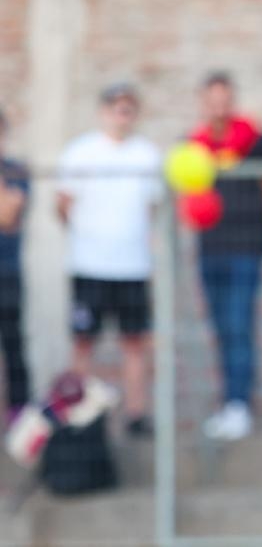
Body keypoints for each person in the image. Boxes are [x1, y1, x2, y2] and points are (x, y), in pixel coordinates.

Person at [57, 83, 162, 438]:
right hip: (90, 266)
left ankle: (136, 415)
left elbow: (152, 207)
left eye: (128, 109)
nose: (121, 115)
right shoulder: (80, 152)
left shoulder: (147, 155)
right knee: (83, 341)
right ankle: (77, 417)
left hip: (132, 268)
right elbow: (63, 204)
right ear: (103, 112)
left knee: (134, 343)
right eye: (116, 108)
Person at [190, 71, 262, 441]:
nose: (219, 107)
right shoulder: (193, 146)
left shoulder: (257, 141)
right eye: (212, 100)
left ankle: (240, 403)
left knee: (240, 326)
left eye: (224, 100)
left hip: (246, 248)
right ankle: (228, 402)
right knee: (222, 329)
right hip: (210, 248)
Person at [0, 107, 30, 426]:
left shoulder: (17, 172)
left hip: (6, 273)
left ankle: (19, 415)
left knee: (13, 343)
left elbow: (7, 218)